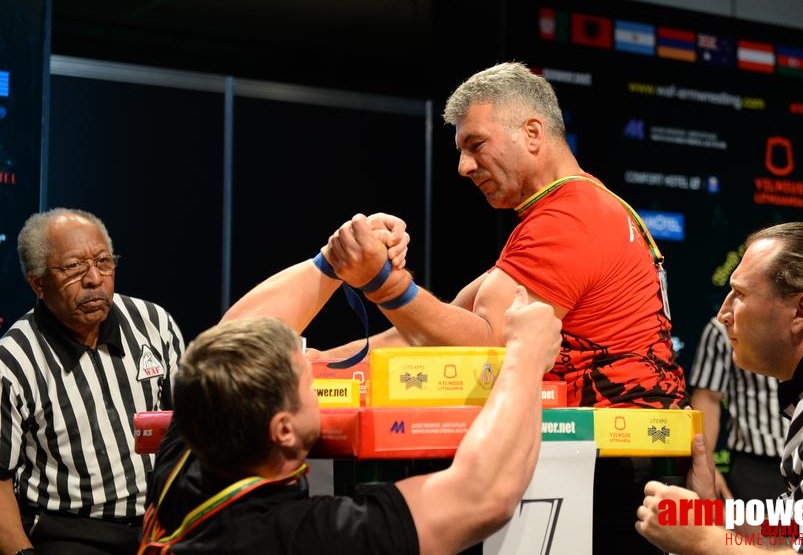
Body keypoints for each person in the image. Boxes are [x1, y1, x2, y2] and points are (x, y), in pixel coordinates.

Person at [315, 61, 688, 553]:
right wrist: (314, 367)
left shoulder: (569, 219)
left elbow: (489, 344)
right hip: (609, 460)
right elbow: (432, 328)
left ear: (532, 133)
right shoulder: (582, 206)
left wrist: (383, 285)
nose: (463, 167)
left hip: (604, 468)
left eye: (475, 145)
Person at [138, 223, 562, 554]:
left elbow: (234, 335)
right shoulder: (301, 537)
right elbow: (481, 495)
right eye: (309, 377)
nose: (317, 366)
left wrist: (334, 261)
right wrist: (525, 355)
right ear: (283, 430)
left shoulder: (190, 457)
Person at [636, 222, 803, 554]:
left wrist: (706, 542)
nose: (723, 314)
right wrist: (708, 513)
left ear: (801, 311)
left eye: (740, 294)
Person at [0, 208, 184, 555]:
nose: (94, 278)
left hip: (160, 520)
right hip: (70, 532)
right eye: (73, 268)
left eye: (103, 261)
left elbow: (191, 427)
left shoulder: (153, 323)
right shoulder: (12, 361)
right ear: (37, 282)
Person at [689, 316, 788, 501]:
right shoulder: (723, 328)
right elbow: (708, 398)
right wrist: (706, 466)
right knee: (755, 530)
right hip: (755, 468)